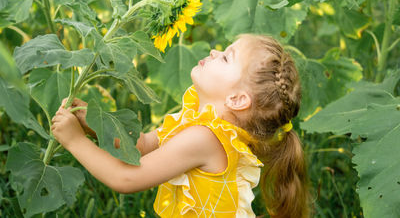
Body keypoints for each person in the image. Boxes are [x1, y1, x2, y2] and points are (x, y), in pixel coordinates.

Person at [51, 33, 312, 218]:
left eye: (225, 58)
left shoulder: (204, 138)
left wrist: (75, 141)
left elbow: (126, 178)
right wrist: (95, 122)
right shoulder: (201, 122)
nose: (214, 51)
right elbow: (142, 146)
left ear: (237, 99)